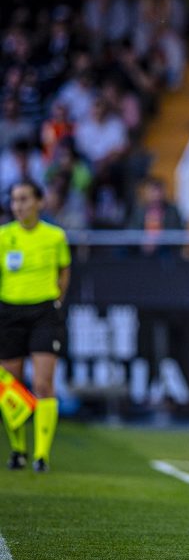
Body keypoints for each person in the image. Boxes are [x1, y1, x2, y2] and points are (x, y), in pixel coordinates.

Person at [0, 181, 69, 472]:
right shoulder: (4, 235)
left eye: (25, 199)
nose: (19, 205)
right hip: (8, 311)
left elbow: (64, 271)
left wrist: (56, 302)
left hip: (43, 311)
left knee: (43, 384)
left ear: (39, 202)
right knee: (10, 386)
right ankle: (19, 450)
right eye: (15, 200)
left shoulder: (55, 236)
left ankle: (42, 455)